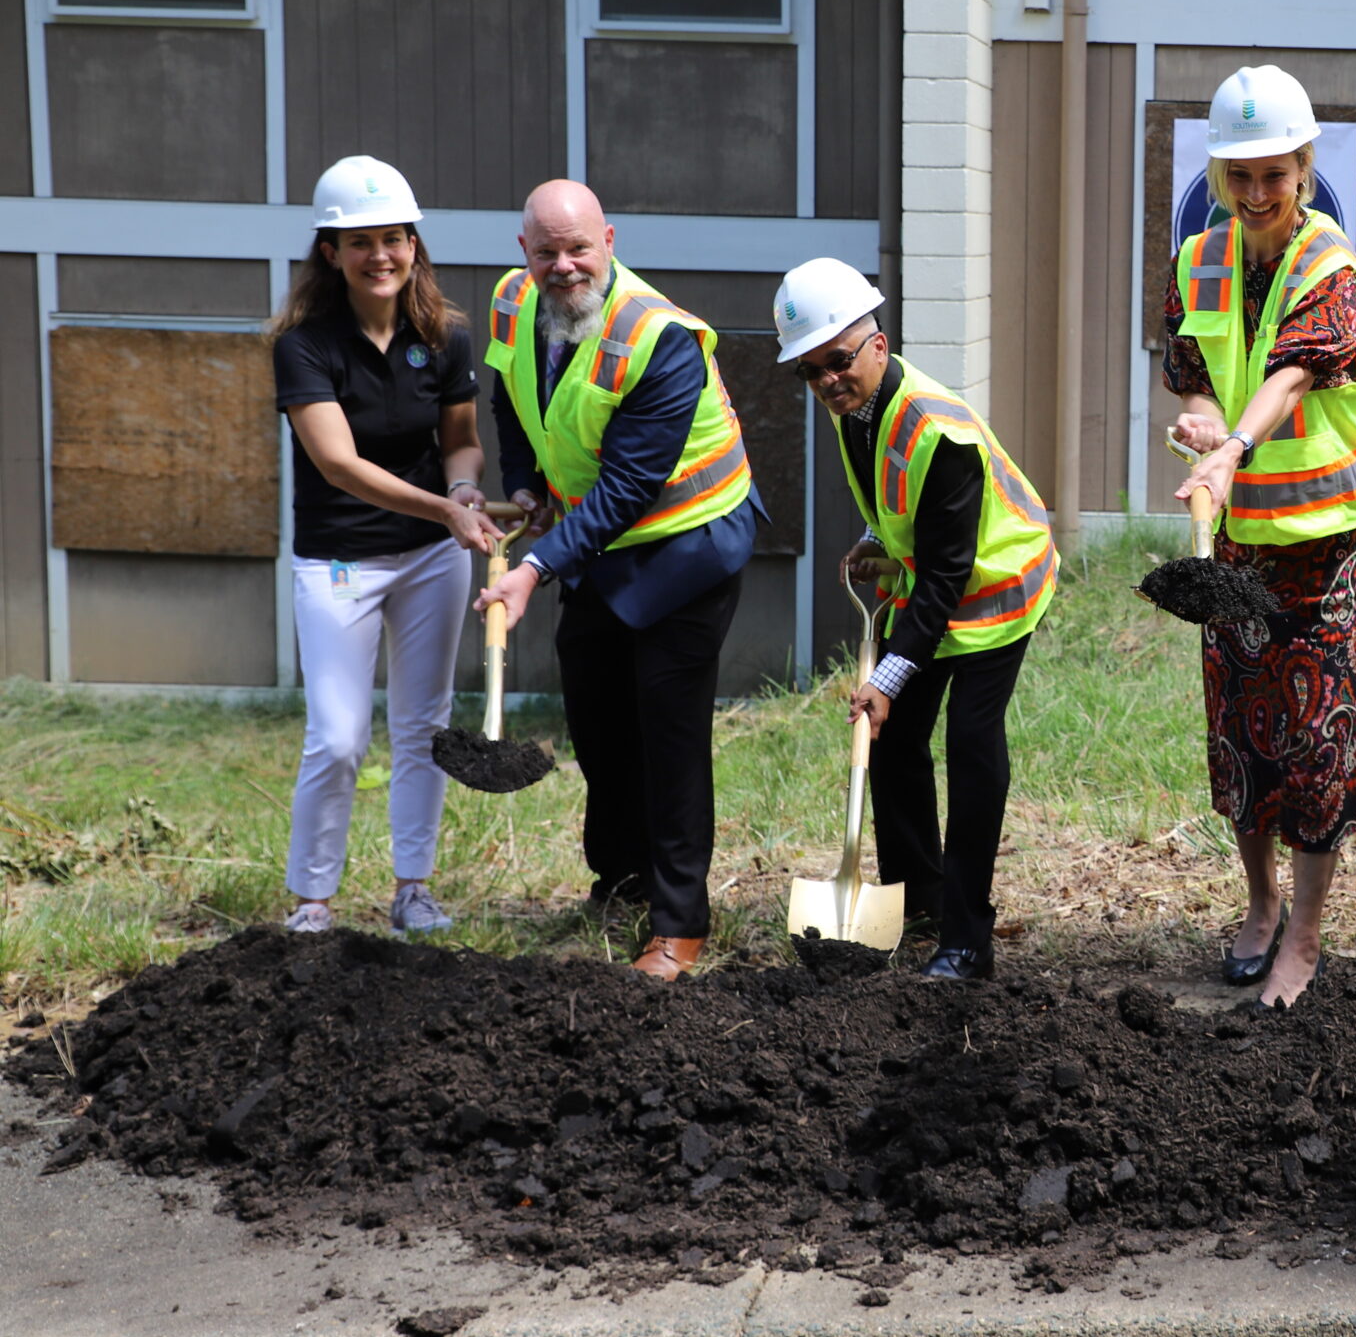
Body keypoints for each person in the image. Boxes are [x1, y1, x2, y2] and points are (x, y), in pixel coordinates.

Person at [476, 180, 764, 981]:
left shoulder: (661, 337)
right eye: (547, 252)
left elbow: (630, 486)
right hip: (595, 540)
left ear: (609, 239)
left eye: (579, 248)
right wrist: (527, 477)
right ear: (523, 253)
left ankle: (678, 924)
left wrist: (536, 566)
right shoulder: (513, 301)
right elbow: (508, 393)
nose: (565, 267)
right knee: (597, 709)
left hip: (686, 542)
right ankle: (622, 875)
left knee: (668, 728)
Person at [1165, 64, 1356, 1009]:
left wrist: (1236, 447)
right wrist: (1202, 421)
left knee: (1321, 743)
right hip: (1243, 543)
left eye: (1276, 174)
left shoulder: (1333, 272)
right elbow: (1192, 365)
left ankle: (1303, 936)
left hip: (1336, 546)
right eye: (1240, 178)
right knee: (1242, 733)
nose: (1258, 195)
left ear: (1305, 168)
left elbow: (1295, 374)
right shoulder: (1199, 259)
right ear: (1219, 179)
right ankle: (1258, 904)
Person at [776, 258, 1056, 981]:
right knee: (893, 739)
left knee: (970, 743)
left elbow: (947, 574)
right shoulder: (856, 410)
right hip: (934, 583)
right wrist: (877, 540)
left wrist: (889, 678)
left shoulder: (938, 429)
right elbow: (901, 507)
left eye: (837, 361)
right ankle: (916, 899)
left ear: (877, 343)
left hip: (997, 588)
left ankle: (967, 939)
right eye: (810, 371)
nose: (827, 381)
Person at [268, 156, 503, 936]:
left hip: (434, 554)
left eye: (394, 238)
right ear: (330, 252)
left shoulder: (447, 336)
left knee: (422, 728)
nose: (381, 256)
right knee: (337, 737)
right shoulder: (304, 345)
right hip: (339, 560)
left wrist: (464, 491)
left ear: (414, 244)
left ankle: (413, 889)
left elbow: (461, 441)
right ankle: (313, 898)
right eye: (360, 241)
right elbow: (338, 463)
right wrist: (446, 505)